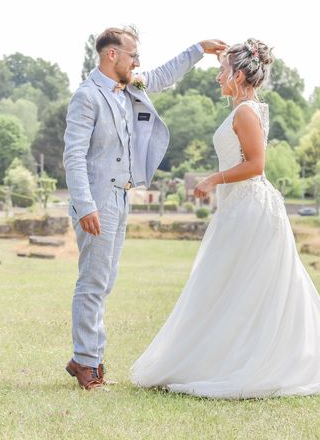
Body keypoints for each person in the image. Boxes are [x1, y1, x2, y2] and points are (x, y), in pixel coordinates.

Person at [131, 39, 320, 399]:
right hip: (238, 208)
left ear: (239, 74)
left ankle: (248, 362)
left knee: (244, 286)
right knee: (228, 285)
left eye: (223, 71)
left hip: (251, 209)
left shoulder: (247, 112)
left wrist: (213, 179)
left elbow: (256, 164)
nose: (218, 77)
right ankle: (224, 358)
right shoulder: (244, 108)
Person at [63, 26, 226, 390]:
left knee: (105, 281)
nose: (138, 61)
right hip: (97, 201)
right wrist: (85, 205)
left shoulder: (129, 85)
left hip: (121, 197)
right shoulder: (86, 97)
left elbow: (164, 75)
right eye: (132, 54)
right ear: (111, 55)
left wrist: (198, 49)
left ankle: (82, 357)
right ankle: (89, 363)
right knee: (92, 282)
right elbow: (73, 156)